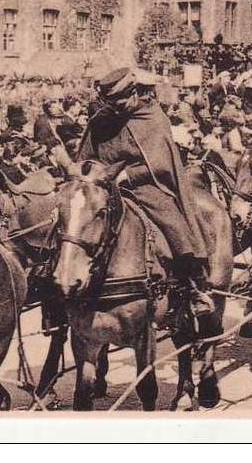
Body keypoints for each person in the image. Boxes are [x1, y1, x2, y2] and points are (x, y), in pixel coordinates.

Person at [78, 67, 221, 339]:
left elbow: (161, 164)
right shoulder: (101, 119)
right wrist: (93, 172)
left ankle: (192, 288)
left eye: (120, 101)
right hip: (103, 187)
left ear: (133, 94)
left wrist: (126, 175)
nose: (115, 108)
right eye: (110, 103)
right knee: (72, 224)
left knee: (174, 226)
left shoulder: (153, 117)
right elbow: (86, 156)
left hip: (146, 187)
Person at [33, 99, 73, 173]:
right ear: (49, 109)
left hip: (53, 147)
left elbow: (69, 122)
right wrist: (55, 142)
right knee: (63, 157)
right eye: (54, 107)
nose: (57, 109)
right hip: (49, 150)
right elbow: (42, 141)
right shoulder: (42, 122)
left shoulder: (50, 119)